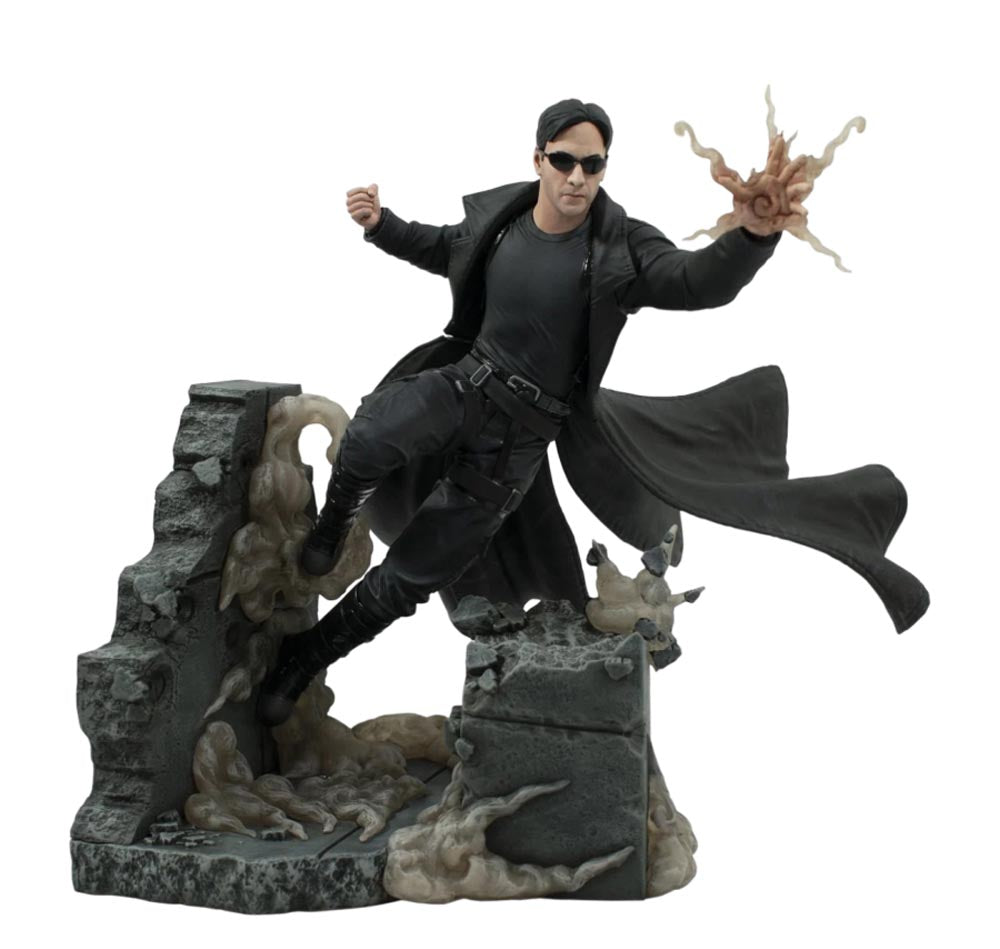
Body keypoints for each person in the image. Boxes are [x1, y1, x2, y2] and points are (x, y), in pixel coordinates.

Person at [257, 99, 927, 727]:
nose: (577, 177)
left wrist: (751, 237)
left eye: (592, 164)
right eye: (564, 161)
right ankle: (330, 529)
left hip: (516, 444)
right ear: (539, 160)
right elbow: (441, 247)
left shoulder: (619, 249)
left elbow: (694, 280)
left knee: (413, 574)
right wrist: (381, 225)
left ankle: (304, 661)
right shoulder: (503, 223)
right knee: (368, 437)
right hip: (464, 385)